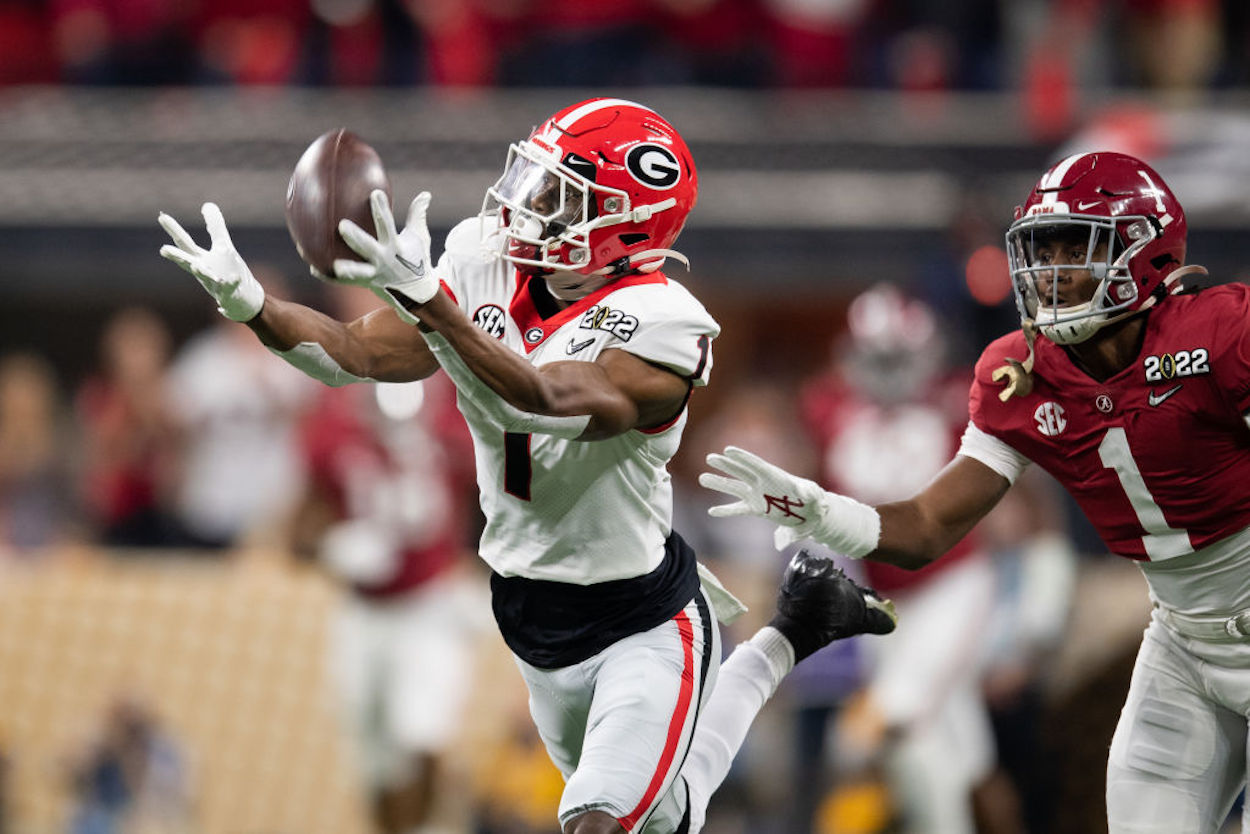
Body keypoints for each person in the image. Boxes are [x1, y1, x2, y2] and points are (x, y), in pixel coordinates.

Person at [157, 97, 895, 834]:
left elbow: (543, 399)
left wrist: (430, 303)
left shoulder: (668, 324)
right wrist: (252, 304)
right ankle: (792, 632)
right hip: (529, 611)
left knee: (596, 823)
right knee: (668, 819)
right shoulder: (485, 259)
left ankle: (787, 634)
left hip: (640, 618)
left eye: (563, 197)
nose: (530, 206)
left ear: (626, 228)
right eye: (536, 181)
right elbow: (355, 354)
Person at [700, 150, 1250, 834]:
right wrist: (820, 509)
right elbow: (928, 524)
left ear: (1144, 251)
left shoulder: (1223, 334)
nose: (1047, 272)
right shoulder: (1020, 371)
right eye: (1040, 250)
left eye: (1074, 247)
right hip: (1183, 641)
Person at [290, 286, 483, 834]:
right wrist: (330, 548)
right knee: (375, 761)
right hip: (363, 613)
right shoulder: (329, 412)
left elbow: (493, 495)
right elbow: (298, 528)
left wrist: (484, 572)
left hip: (431, 602)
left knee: (421, 735)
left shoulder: (450, 396)